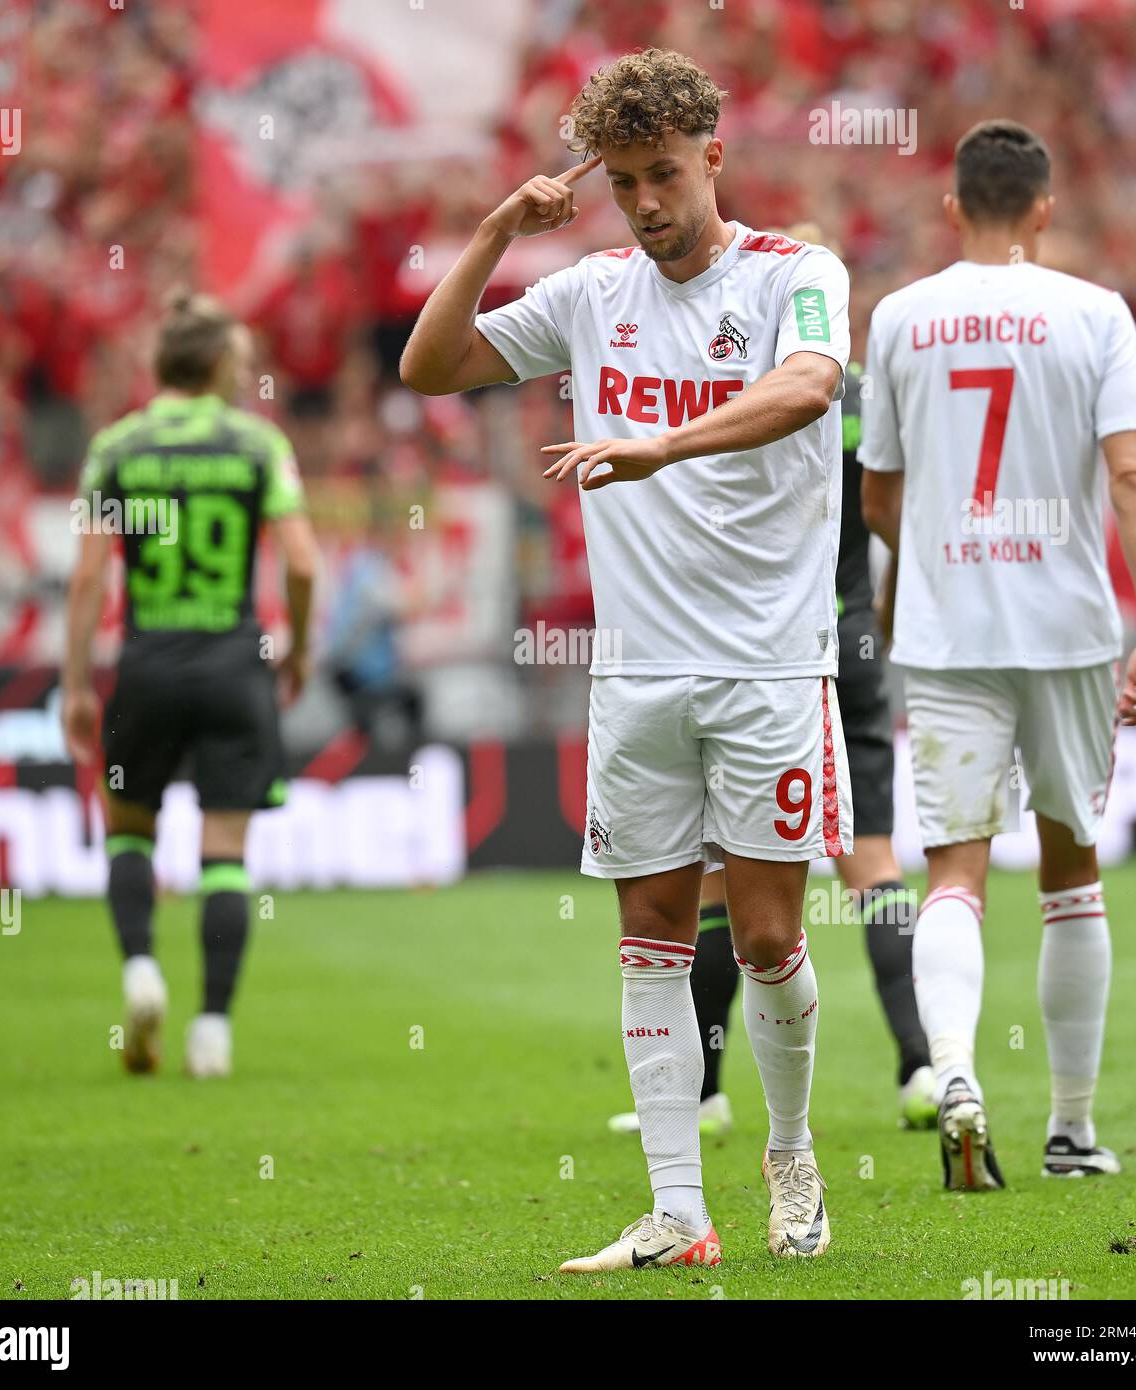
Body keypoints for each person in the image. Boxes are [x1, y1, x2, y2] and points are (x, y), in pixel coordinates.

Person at [402, 48, 853, 1269]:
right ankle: (677, 1211)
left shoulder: (795, 273)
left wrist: (663, 445)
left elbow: (812, 388)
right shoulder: (589, 291)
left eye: (663, 175)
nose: (646, 204)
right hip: (637, 674)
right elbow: (430, 369)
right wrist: (500, 227)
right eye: (622, 182)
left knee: (762, 938)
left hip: (768, 666)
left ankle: (791, 1150)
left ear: (712, 156)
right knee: (650, 932)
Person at [860, 120, 1136, 1188]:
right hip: (1068, 631)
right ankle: (1073, 1131)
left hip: (950, 634)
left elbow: (878, 492)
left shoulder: (899, 317)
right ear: (1043, 209)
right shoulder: (1093, 314)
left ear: (953, 207)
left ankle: (953, 1073)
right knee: (1070, 872)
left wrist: (929, 571)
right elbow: (1129, 472)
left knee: (953, 868)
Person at [608, 228, 934, 1137]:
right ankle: (923, 1068)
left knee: (717, 881)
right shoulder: (864, 392)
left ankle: (704, 1095)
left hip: (765, 645)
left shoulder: (743, 390)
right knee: (871, 860)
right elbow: (891, 511)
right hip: (854, 628)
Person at [62, 290, 319, 1079]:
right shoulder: (255, 443)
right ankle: (212, 1029)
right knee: (225, 854)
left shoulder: (117, 447)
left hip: (146, 666)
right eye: (239, 360)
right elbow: (303, 562)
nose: (246, 372)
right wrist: (299, 649)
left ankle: (141, 970)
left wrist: (77, 683)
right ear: (214, 364)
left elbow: (87, 578)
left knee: (130, 830)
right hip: (236, 667)